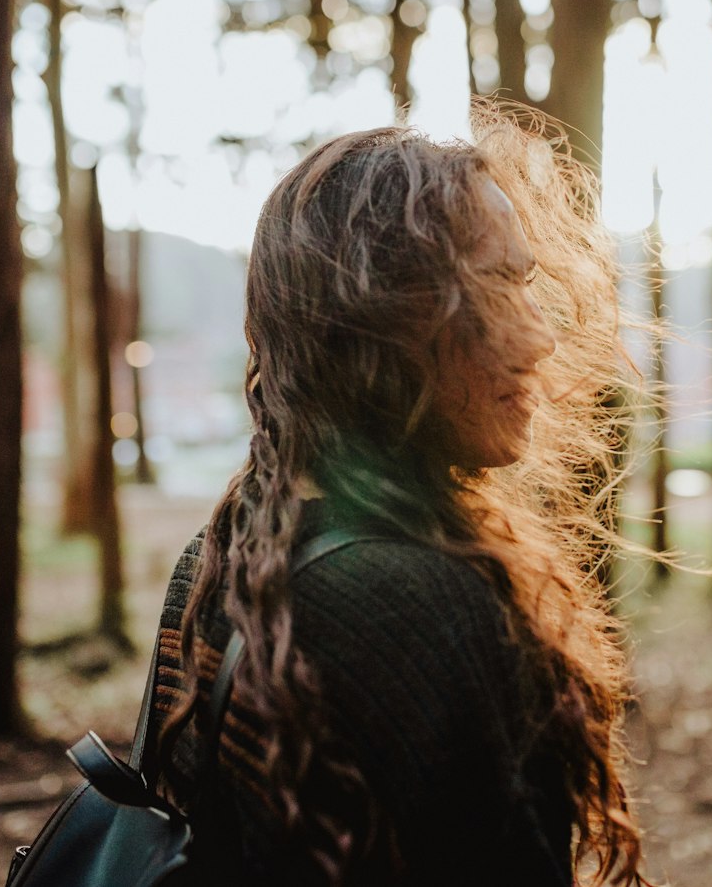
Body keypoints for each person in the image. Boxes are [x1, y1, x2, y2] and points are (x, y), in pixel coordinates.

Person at [146, 115, 650, 886]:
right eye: (498, 287)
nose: (542, 337)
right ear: (386, 319)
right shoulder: (422, 608)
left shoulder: (218, 558)